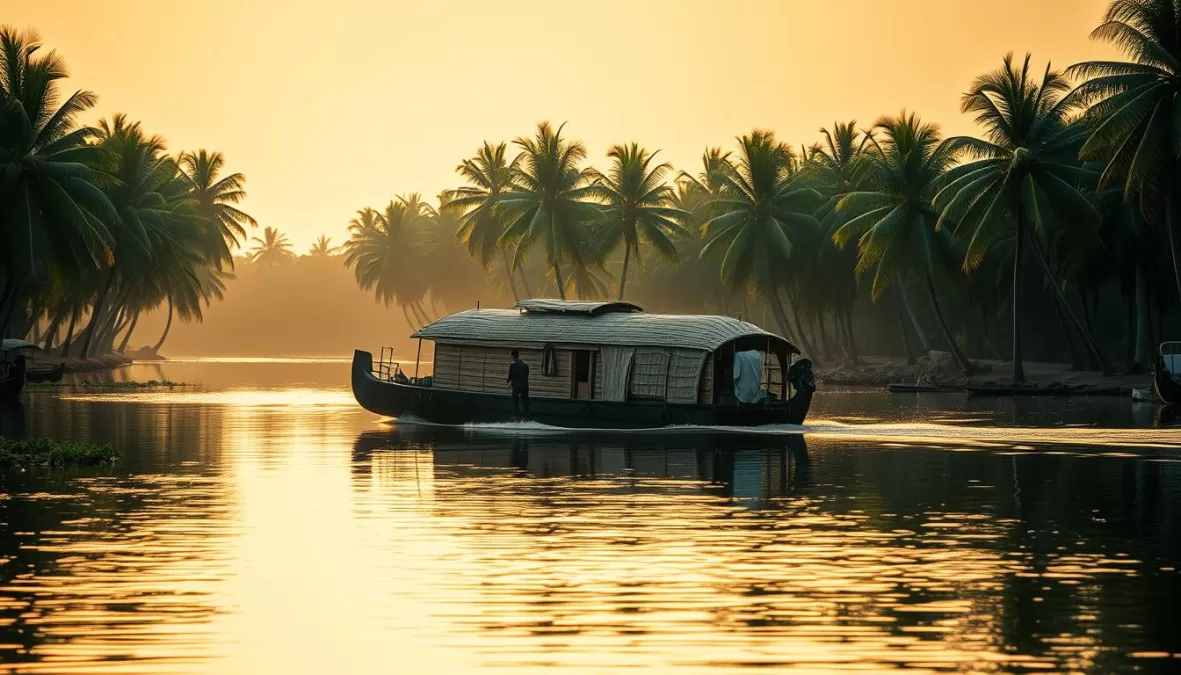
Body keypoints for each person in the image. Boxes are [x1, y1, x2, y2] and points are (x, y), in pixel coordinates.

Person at [507, 349, 530, 418]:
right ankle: (527, 416)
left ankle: (516, 416)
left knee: (515, 401)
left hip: (516, 386)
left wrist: (508, 381)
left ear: (513, 356)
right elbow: (527, 374)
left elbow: (510, 376)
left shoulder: (513, 366)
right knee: (525, 401)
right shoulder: (525, 366)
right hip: (525, 386)